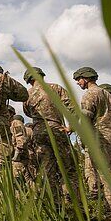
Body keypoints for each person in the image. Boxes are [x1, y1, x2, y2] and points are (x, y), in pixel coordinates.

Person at [72, 67, 111, 221]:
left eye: (79, 79)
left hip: (101, 139)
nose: (77, 83)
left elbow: (86, 121)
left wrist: (84, 140)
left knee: (106, 176)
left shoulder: (89, 95)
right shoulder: (108, 95)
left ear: (86, 78)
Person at [22, 66, 79, 204]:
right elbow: (72, 107)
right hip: (56, 129)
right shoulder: (55, 88)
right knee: (69, 168)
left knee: (47, 170)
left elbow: (27, 112)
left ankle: (56, 206)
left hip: (39, 132)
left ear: (29, 80)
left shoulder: (27, 95)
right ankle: (77, 206)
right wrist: (71, 126)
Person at [10, 112, 35, 185]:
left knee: (17, 181)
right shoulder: (30, 130)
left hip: (17, 158)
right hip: (28, 156)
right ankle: (35, 195)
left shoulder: (16, 124)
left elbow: (21, 142)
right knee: (29, 179)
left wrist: (16, 155)